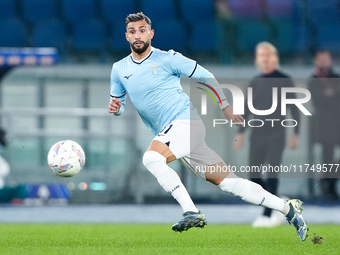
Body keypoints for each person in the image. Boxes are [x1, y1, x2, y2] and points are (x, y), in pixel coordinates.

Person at [108, 12, 308, 241]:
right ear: (126, 36)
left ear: (151, 33)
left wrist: (224, 105)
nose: (138, 35)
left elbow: (206, 76)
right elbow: (119, 104)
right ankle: (288, 209)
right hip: (172, 135)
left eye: (142, 30)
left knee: (151, 159)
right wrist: (116, 108)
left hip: (185, 124)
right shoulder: (119, 69)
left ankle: (191, 211)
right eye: (132, 31)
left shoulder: (168, 59)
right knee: (231, 184)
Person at [233, 42, 300, 227]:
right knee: (253, 176)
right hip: (257, 134)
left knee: (272, 173)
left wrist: (296, 133)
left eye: (268, 54)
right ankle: (278, 201)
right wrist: (241, 133)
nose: (265, 58)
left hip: (276, 134)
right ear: (257, 59)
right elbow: (246, 110)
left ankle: (267, 213)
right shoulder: (255, 82)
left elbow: (295, 108)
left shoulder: (285, 80)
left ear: (275, 57)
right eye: (261, 55)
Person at [308, 50, 340, 200]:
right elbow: (318, 100)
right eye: (321, 59)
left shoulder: (336, 77)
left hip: (337, 122)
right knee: (327, 158)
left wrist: (330, 93)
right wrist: (333, 94)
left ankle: (331, 181)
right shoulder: (313, 79)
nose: (324, 61)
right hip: (325, 125)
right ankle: (328, 186)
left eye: (326, 59)